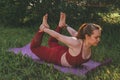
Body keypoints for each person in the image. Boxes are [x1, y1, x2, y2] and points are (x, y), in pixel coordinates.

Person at [30, 12, 102, 67]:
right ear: (87, 36)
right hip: (55, 56)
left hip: (63, 51)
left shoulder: (84, 40)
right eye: (96, 37)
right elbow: (58, 36)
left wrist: (65, 26)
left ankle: (60, 25)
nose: (99, 40)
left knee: (52, 42)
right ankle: (41, 29)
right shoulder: (75, 43)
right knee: (34, 48)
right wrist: (44, 29)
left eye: (99, 37)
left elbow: (75, 33)